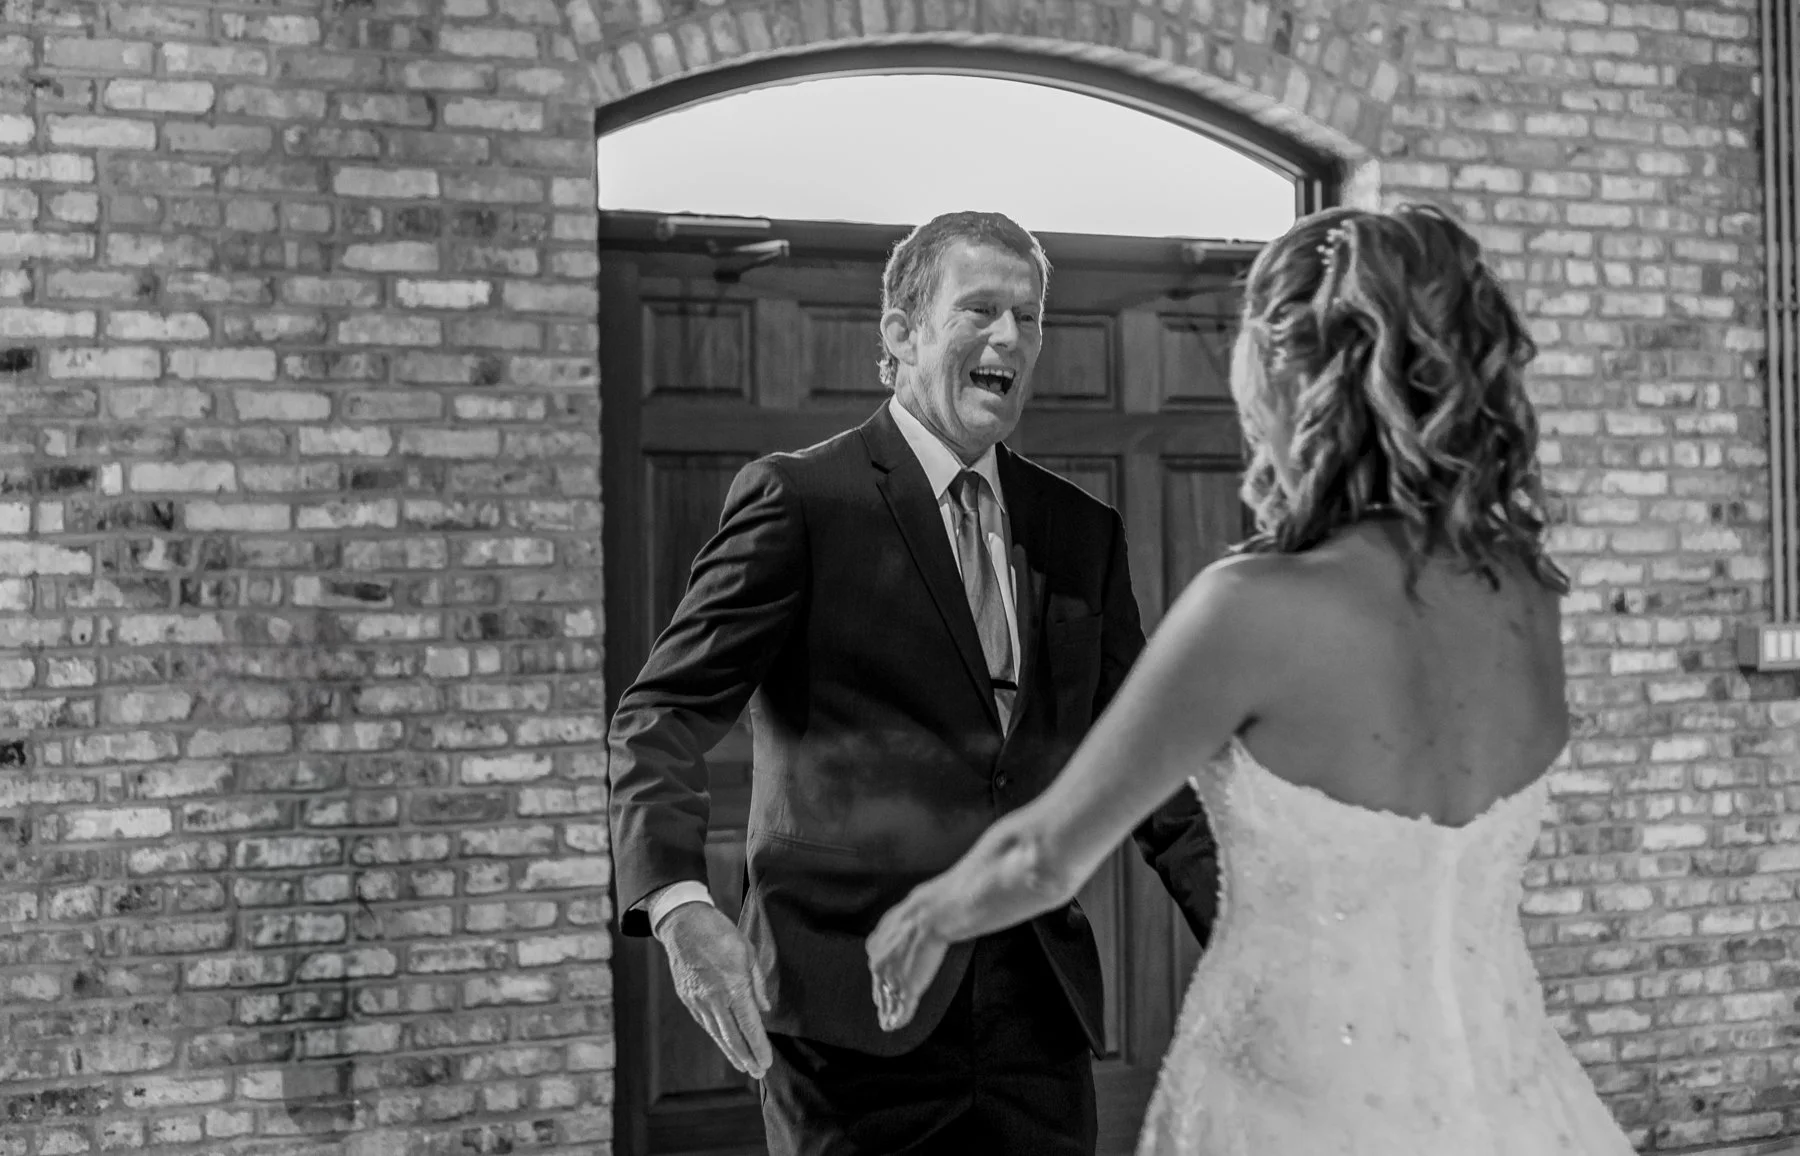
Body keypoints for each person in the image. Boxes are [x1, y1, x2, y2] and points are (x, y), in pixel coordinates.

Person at [867, 203, 1639, 1155]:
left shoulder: (1253, 606)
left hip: (1295, 1111)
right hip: (1513, 1103)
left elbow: (1044, 857)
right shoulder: (1530, 600)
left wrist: (924, 916)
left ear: (1292, 377)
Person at [607, 210, 1220, 1156]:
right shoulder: (800, 500)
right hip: (844, 1023)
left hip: (1035, 1026)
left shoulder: (1079, 531)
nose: (1010, 338)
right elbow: (663, 716)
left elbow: (1144, 761)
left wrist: (1246, 927)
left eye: (1029, 317)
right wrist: (681, 909)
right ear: (899, 334)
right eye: (979, 309)